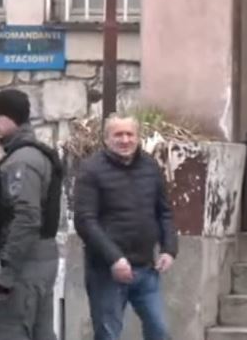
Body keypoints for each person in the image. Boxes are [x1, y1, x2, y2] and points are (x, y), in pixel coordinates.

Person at [73, 114, 176, 340]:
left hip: (146, 269)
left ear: (138, 137)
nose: (125, 140)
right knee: (108, 334)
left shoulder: (151, 167)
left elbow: (164, 212)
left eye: (130, 134)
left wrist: (169, 249)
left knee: (160, 330)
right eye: (118, 135)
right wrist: (114, 258)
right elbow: (85, 221)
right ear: (106, 139)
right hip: (107, 272)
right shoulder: (91, 170)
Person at [0, 89, 63, 340]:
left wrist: (8, 271)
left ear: (12, 118)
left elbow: (26, 217)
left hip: (27, 263)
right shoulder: (33, 154)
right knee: (41, 332)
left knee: (13, 330)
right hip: (40, 258)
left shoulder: (21, 161)